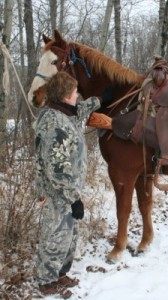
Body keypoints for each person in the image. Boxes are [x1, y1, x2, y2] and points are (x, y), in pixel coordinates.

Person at [34, 72, 101, 298]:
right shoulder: (56, 125)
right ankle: (46, 280)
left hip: (68, 192)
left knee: (69, 236)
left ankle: (60, 273)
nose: (77, 96)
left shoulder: (63, 113)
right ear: (64, 96)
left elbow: (78, 110)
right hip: (58, 193)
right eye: (75, 93)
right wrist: (74, 198)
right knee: (56, 236)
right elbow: (58, 170)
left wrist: (99, 99)